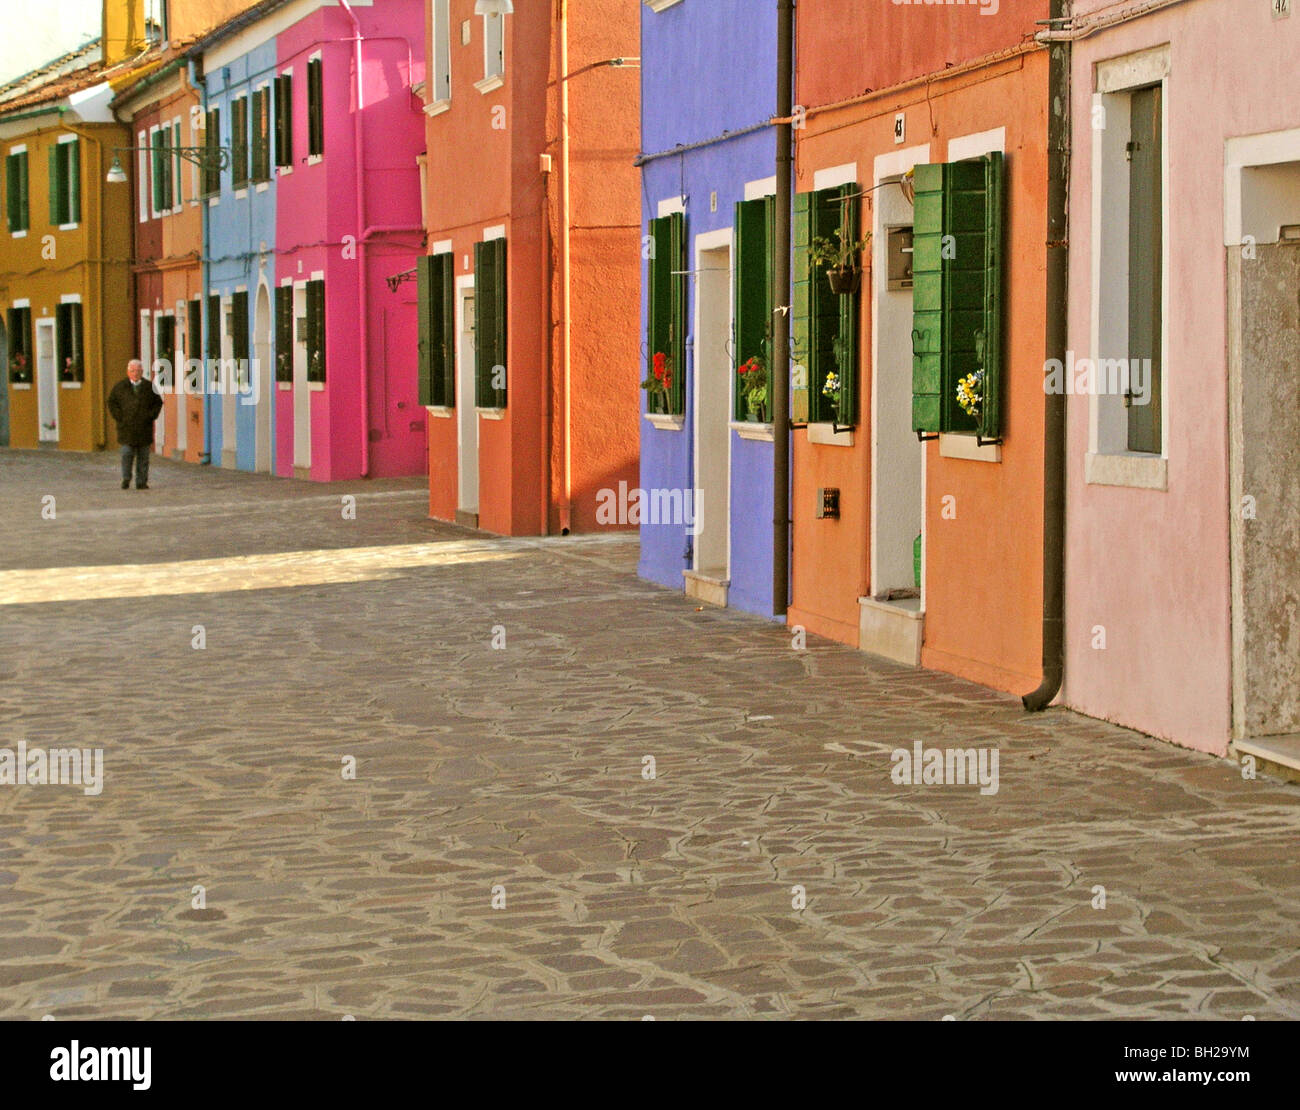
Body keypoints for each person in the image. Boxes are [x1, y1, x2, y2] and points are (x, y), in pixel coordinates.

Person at [107, 359, 163, 489]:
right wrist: (119, 417)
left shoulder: (149, 387)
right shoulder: (120, 387)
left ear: (142, 372)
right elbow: (112, 403)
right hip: (126, 428)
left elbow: (158, 403)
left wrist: (151, 416)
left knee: (144, 457)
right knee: (127, 454)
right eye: (133, 371)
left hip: (144, 428)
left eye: (138, 371)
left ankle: (141, 481)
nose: (135, 373)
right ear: (128, 372)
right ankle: (126, 478)